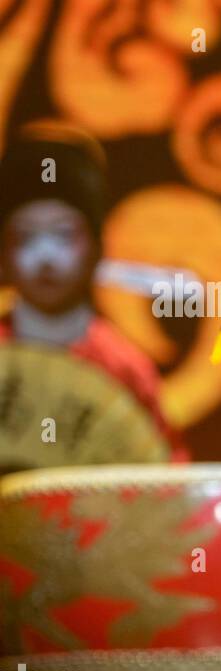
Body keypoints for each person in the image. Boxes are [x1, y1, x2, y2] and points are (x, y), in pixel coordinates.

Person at [0, 120, 180, 453]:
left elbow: (162, 481)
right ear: (4, 253)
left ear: (97, 246)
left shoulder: (125, 370)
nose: (45, 257)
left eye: (64, 235)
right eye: (26, 238)